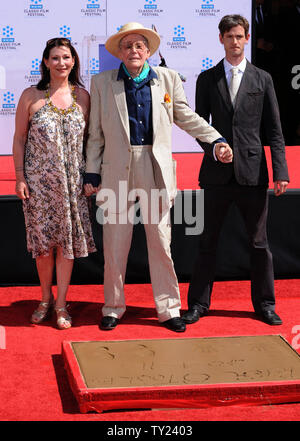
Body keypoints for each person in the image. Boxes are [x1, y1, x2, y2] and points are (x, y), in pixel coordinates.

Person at [83, 22, 230, 333]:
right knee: (115, 243)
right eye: (128, 46)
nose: (134, 50)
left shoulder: (167, 78)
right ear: (119, 53)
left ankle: (168, 308)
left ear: (148, 51)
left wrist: (215, 140)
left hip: (156, 168)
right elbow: (95, 134)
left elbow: (185, 116)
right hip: (116, 170)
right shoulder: (101, 83)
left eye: (139, 45)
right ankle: (112, 307)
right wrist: (92, 170)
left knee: (161, 243)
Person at [182, 14, 289, 327]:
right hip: (216, 174)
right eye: (229, 36)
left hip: (253, 174)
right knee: (207, 243)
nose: (235, 42)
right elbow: (200, 127)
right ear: (221, 39)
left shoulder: (263, 79)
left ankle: (265, 305)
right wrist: (215, 147)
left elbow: (275, 129)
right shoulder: (207, 78)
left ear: (247, 37)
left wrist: (280, 171)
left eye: (240, 36)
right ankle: (198, 305)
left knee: (259, 244)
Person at [13, 38, 97, 329]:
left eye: (67, 57)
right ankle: (45, 298)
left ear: (74, 61)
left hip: (73, 186)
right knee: (44, 247)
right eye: (55, 58)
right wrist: (20, 177)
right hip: (39, 185)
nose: (61, 63)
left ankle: (61, 304)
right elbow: (20, 139)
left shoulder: (83, 97)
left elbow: (90, 142)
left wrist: (91, 177)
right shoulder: (30, 96)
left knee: (67, 246)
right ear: (45, 62)